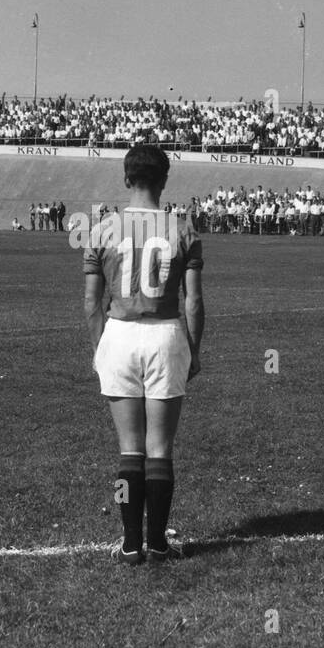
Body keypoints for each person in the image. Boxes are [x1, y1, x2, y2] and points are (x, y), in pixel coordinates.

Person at [84, 144, 204, 565]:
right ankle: (158, 542)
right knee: (160, 447)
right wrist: (194, 349)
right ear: (164, 180)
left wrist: (99, 347)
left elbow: (90, 302)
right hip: (166, 335)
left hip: (118, 334)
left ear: (126, 178)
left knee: (129, 447)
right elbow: (193, 301)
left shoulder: (102, 230)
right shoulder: (183, 228)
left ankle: (130, 543)